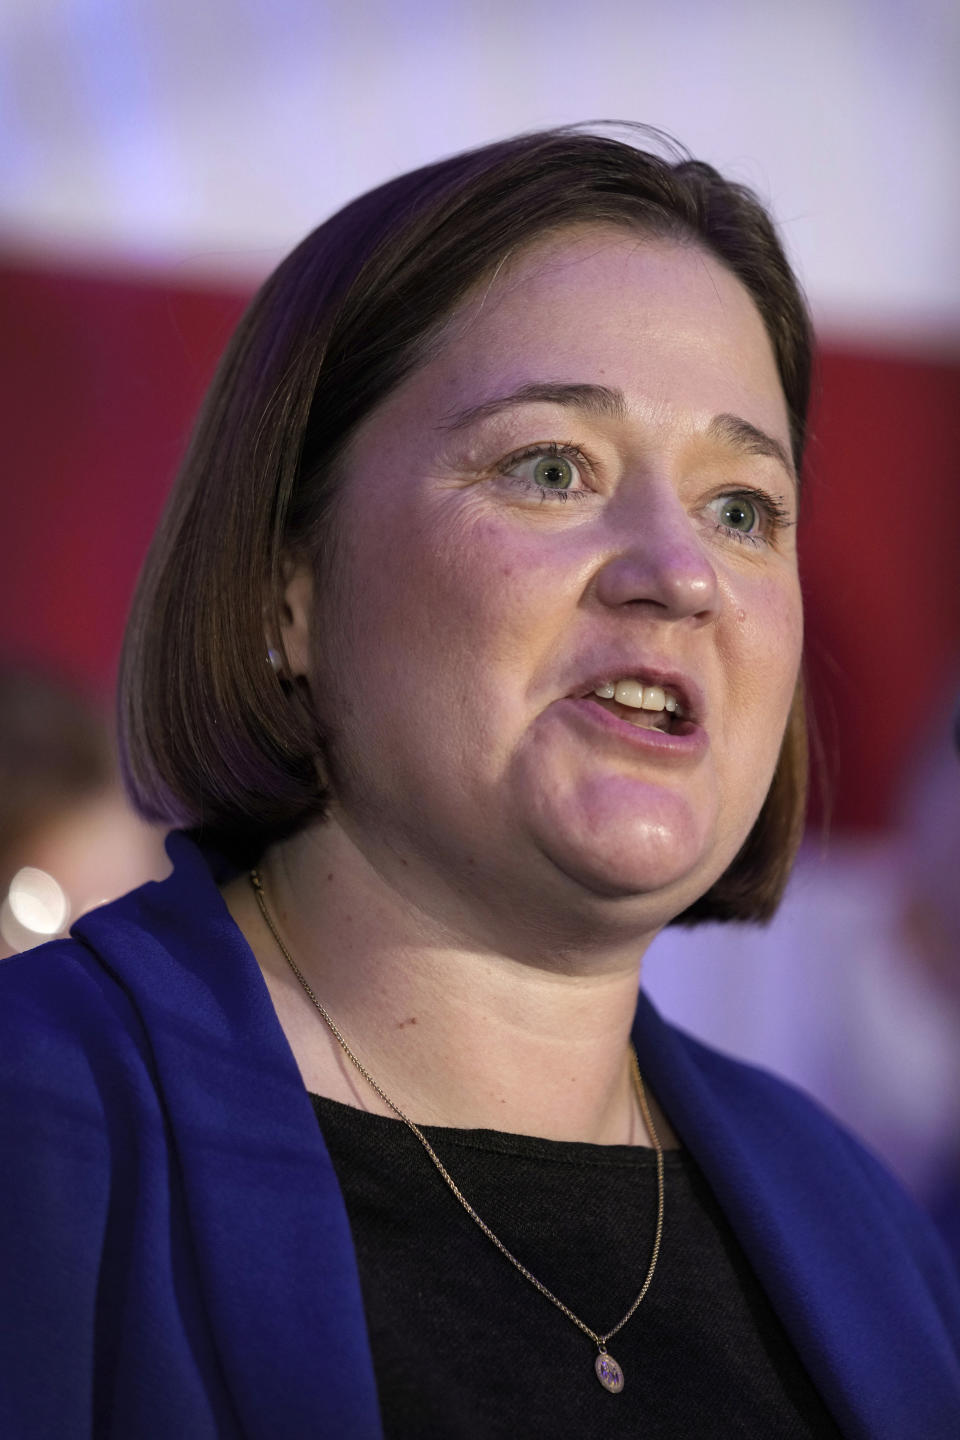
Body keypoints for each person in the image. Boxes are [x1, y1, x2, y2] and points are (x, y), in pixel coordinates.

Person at [1, 126, 957, 1440]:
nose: (679, 573)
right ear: (291, 587)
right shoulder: (35, 1135)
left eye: (743, 508)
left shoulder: (871, 1238)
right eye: (552, 468)